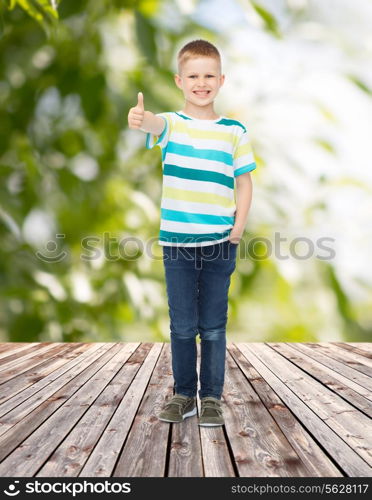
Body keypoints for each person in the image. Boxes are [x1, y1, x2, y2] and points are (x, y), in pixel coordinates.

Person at [128, 39, 256, 426]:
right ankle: (183, 394)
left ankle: (212, 398)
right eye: (193, 76)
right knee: (182, 324)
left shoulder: (234, 131)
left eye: (209, 75)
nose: (202, 82)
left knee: (213, 325)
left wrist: (238, 229)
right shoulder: (172, 125)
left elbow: (245, 183)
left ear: (221, 79)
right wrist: (140, 118)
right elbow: (153, 123)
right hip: (178, 243)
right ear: (180, 80)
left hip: (221, 241)